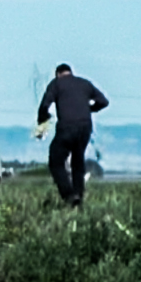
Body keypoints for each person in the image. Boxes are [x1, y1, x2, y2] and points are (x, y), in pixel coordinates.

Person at [37, 63, 109, 206]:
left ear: (58, 74)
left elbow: (45, 105)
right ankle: (78, 197)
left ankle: (69, 195)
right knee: (78, 161)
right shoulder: (84, 83)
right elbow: (103, 101)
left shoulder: (56, 84)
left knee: (56, 161)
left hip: (67, 127)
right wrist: (89, 109)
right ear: (71, 72)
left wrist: (42, 121)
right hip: (85, 128)